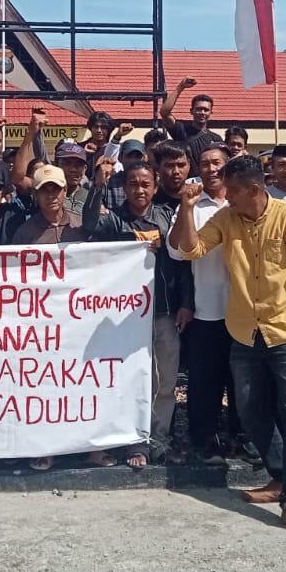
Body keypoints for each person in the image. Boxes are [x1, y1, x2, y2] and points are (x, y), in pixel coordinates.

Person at [171, 155, 286, 534]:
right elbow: (189, 249)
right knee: (249, 409)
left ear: (254, 190)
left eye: (233, 192)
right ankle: (279, 477)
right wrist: (186, 207)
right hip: (244, 332)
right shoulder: (226, 218)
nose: (227, 197)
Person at [84, 158, 193, 468]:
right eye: (133, 184)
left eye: (146, 184)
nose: (139, 190)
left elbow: (183, 262)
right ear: (124, 188)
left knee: (165, 382)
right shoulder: (114, 221)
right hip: (123, 318)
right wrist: (97, 185)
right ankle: (131, 442)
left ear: (155, 187)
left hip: (164, 312)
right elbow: (90, 222)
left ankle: (157, 442)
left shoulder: (167, 218)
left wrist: (187, 303)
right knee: (127, 381)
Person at [170, 144, 244, 463]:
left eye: (217, 163)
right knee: (204, 381)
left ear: (228, 167)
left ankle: (244, 438)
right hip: (207, 308)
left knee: (244, 381)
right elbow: (175, 252)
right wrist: (186, 208)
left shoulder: (245, 202)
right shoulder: (191, 205)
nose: (211, 169)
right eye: (204, 163)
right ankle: (204, 439)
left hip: (246, 309)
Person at [160, 76, 222, 165]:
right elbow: (164, 112)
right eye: (199, 109)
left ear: (211, 113)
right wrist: (180, 87)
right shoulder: (181, 130)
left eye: (206, 110)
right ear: (191, 111)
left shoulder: (216, 139)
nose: (202, 113)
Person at [101, 140, 148, 212]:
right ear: (120, 158)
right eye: (129, 156)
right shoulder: (109, 182)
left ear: (144, 159)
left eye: (137, 157)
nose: (133, 160)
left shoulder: (149, 183)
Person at [151, 141, 191, 209]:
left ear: (189, 165)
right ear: (158, 167)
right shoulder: (149, 203)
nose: (176, 171)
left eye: (181, 165)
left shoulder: (200, 200)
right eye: (170, 166)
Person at [55, 142, 91, 216]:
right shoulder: (48, 195)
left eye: (79, 164)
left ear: (85, 169)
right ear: (56, 165)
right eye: (67, 163)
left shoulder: (90, 199)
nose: (73, 169)